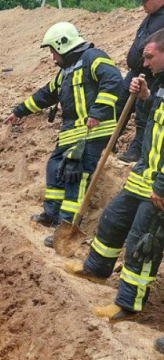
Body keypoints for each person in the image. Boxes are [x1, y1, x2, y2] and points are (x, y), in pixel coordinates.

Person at [63, 28, 164, 322]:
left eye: (149, 56)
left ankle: (128, 303)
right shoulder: (160, 82)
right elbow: (152, 117)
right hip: (145, 174)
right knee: (112, 218)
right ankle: (95, 268)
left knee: (143, 243)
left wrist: (161, 185)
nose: (145, 63)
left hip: (159, 184)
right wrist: (145, 96)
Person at [4, 22, 123, 247]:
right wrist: (18, 112)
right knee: (54, 167)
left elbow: (113, 80)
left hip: (92, 132)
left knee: (75, 177)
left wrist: (97, 112)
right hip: (72, 133)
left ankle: (65, 229)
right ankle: (51, 214)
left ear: (63, 45)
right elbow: (46, 95)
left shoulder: (93, 57)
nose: (52, 57)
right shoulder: (66, 71)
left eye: (53, 51)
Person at [116, 0, 164, 163]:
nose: (141, 4)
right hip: (137, 70)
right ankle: (108, 141)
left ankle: (137, 150)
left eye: (144, 1)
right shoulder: (151, 16)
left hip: (152, 74)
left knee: (144, 111)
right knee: (119, 105)